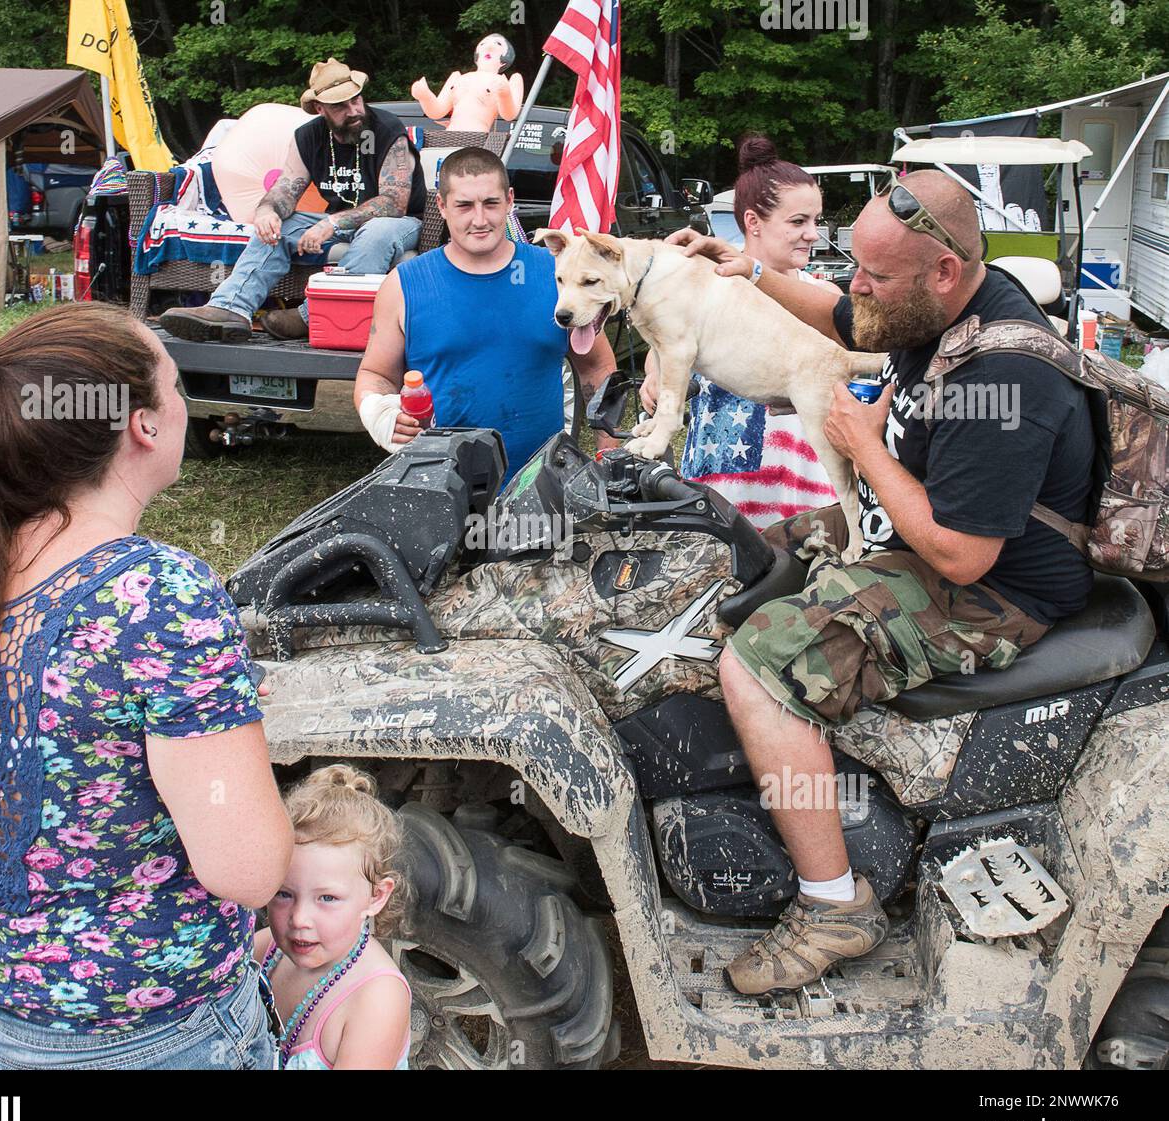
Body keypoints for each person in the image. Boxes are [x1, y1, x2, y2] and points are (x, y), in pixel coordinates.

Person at [666, 169, 1095, 994]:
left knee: (758, 662)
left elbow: (962, 555)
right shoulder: (940, 299)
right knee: (735, 547)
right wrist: (748, 268)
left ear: (942, 271)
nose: (857, 287)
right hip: (913, 529)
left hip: (988, 587)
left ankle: (834, 905)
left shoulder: (1004, 383)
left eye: (875, 275)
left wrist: (863, 445)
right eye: (854, 266)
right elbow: (845, 312)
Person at [0, 302, 295, 1068]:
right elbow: (247, 869)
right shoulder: (159, 594)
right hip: (141, 1038)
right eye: (176, 383)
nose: (184, 402)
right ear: (143, 423)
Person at [354, 146, 617, 483]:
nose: (479, 219)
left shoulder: (556, 276)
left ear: (509, 201)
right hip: (439, 487)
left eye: (490, 204)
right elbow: (375, 373)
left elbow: (597, 367)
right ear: (442, 205)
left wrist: (607, 459)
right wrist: (380, 412)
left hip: (540, 487)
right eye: (464, 205)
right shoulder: (404, 286)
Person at [643, 135, 842, 529]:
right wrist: (655, 376)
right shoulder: (702, 288)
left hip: (807, 488)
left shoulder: (824, 297)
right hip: (725, 492)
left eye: (816, 220)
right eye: (799, 221)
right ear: (753, 222)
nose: (813, 233)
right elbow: (661, 355)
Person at [161, 57, 427, 343]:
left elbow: (393, 203)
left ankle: (310, 317)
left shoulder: (387, 129)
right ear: (319, 108)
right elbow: (285, 190)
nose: (353, 111)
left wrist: (332, 224)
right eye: (340, 105)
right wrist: (267, 211)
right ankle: (230, 309)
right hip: (340, 221)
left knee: (377, 231)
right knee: (280, 225)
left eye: (356, 99)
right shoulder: (308, 136)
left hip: (401, 223)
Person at [255, 764, 411, 1070]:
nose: (300, 918)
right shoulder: (266, 950)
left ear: (376, 896)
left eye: (327, 898)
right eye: (284, 894)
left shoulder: (378, 999)